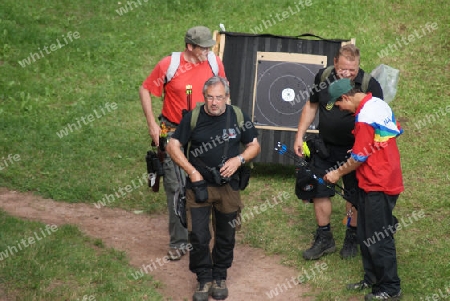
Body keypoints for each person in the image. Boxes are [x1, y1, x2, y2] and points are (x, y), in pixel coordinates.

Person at [166, 76, 260, 301]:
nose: (214, 102)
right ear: (204, 97)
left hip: (228, 188)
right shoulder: (194, 117)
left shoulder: (238, 116)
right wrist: (192, 171)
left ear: (227, 97)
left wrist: (239, 160)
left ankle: (220, 276)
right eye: (210, 97)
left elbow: (254, 145)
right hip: (198, 187)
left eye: (219, 97)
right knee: (198, 236)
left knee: (226, 235)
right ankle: (203, 278)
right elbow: (173, 145)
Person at [139, 26, 226, 261]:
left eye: (210, 47)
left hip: (206, 134)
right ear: (190, 46)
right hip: (175, 133)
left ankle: (202, 238)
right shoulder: (169, 64)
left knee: (206, 185)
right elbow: (146, 89)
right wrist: (151, 124)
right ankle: (178, 242)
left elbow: (224, 95)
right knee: (176, 188)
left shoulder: (215, 64)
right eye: (204, 47)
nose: (208, 51)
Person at [293, 44, 384, 260]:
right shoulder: (323, 77)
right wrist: (299, 135)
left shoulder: (370, 85)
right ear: (335, 64)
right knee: (319, 190)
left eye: (352, 70)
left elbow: (379, 120)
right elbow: (312, 105)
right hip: (325, 146)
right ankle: (325, 239)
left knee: (353, 194)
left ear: (358, 66)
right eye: (343, 69)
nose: (347, 73)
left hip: (355, 152)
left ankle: (352, 236)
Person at [323, 78, 403, 300]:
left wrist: (337, 173)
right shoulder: (377, 103)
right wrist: (365, 145)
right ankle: (372, 280)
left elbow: (359, 157)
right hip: (375, 180)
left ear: (347, 97)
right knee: (366, 234)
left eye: (339, 104)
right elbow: (394, 131)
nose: (339, 109)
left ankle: (391, 287)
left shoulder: (365, 117)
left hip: (380, 182)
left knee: (379, 237)